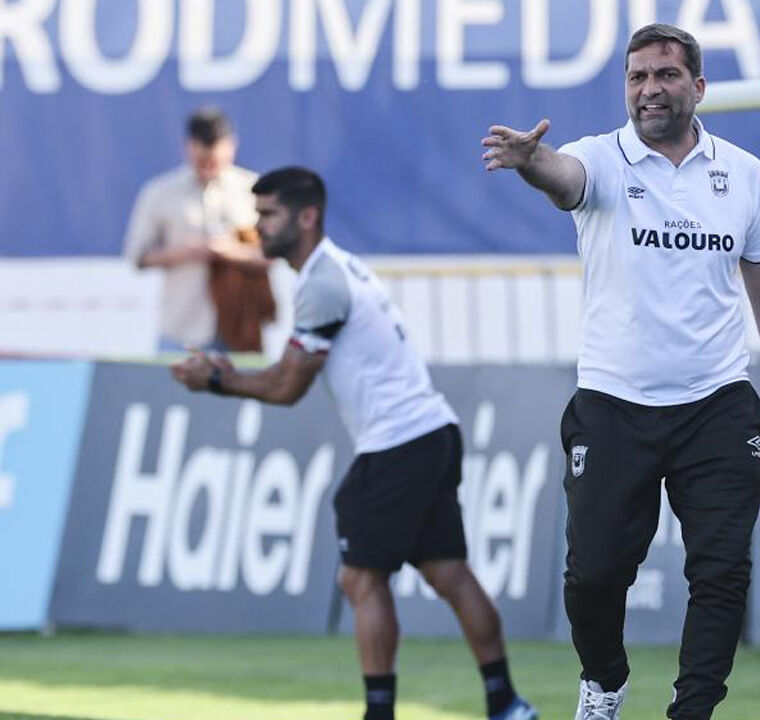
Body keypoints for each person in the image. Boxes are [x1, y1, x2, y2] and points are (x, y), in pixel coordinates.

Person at [482, 23, 760, 720]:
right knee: (595, 576)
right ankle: (603, 680)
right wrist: (531, 160)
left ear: (698, 86)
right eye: (636, 77)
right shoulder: (599, 158)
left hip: (717, 404)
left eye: (664, 75)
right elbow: (563, 178)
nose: (649, 89)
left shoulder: (745, 175)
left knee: (723, 573)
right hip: (614, 403)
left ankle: (692, 710)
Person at [169, 168, 537, 720]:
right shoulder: (333, 270)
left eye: (268, 214)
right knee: (448, 574)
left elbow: (288, 386)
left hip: (400, 442)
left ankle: (381, 713)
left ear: (306, 216)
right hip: (430, 431)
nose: (258, 226)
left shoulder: (321, 281)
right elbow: (286, 375)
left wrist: (216, 380)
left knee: (361, 578)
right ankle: (506, 702)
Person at [124, 107, 271, 353]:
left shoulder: (253, 189)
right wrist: (188, 252)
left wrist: (229, 251)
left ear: (231, 146)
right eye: (202, 161)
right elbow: (137, 256)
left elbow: (273, 254)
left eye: (214, 161)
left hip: (239, 329)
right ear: (189, 147)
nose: (208, 167)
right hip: (181, 328)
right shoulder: (160, 193)